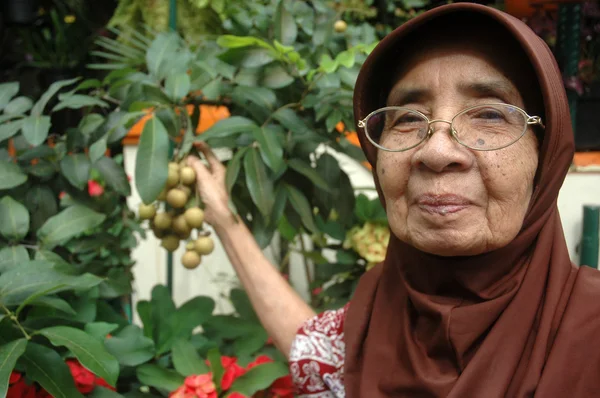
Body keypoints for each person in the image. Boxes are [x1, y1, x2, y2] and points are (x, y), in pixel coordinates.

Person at [187, 3, 600, 397]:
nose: (436, 152)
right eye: (406, 119)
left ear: (546, 156)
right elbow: (309, 351)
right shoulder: (367, 329)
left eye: (489, 114)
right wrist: (225, 219)